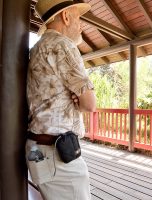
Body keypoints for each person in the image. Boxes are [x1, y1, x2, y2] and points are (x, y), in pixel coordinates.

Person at [26, 0, 96, 199]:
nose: (80, 24)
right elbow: (90, 104)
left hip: (36, 150)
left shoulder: (36, 49)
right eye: (78, 17)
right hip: (57, 156)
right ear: (66, 16)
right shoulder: (63, 45)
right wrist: (80, 101)